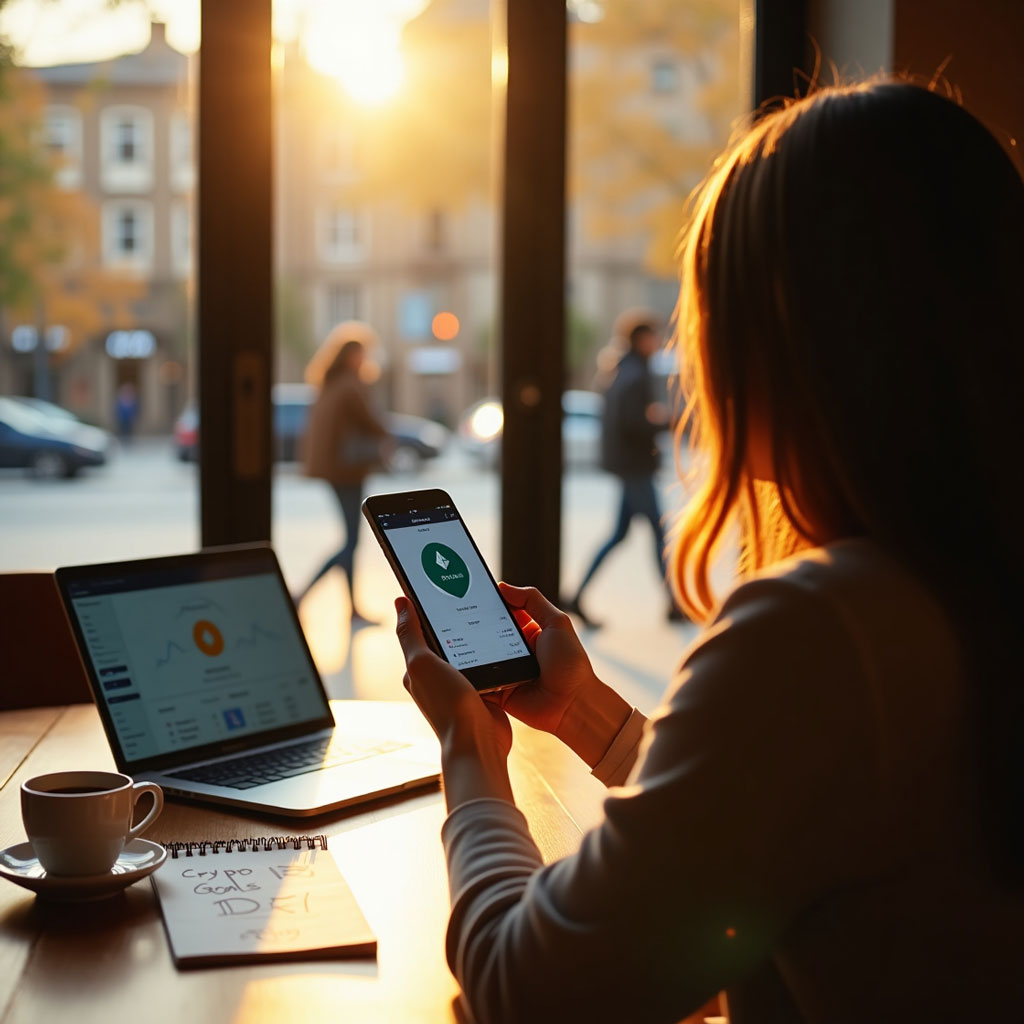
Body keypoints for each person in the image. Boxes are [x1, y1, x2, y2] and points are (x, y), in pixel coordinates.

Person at [392, 79, 1024, 1023]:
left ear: (794, 339)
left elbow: (529, 992)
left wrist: (469, 756)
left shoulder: (825, 627)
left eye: (714, 316)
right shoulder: (959, 581)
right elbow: (800, 804)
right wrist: (590, 718)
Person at [565, 320, 682, 628]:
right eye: (656, 336)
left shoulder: (620, 370)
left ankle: (577, 597)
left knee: (619, 535)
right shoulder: (636, 373)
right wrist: (659, 419)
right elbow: (631, 422)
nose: (659, 342)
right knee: (659, 533)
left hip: (628, 466)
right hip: (636, 467)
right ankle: (673, 603)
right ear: (643, 339)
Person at [297, 335, 391, 625]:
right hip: (348, 470)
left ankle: (349, 608)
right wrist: (387, 435)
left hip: (337, 470)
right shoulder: (350, 385)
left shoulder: (330, 383)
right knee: (351, 541)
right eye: (362, 355)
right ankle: (303, 595)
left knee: (350, 539)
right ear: (351, 357)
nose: (365, 360)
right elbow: (371, 422)